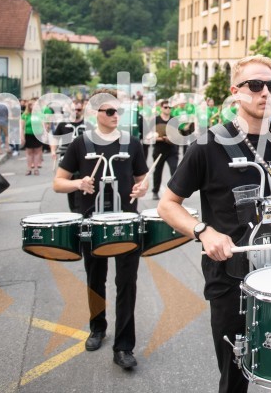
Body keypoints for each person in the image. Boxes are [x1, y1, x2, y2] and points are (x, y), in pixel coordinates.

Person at [156, 55, 271, 393]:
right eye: (255, 85)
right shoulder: (209, 144)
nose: (265, 92)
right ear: (235, 92)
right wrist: (203, 231)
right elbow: (168, 204)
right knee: (236, 377)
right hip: (231, 277)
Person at [53, 89, 149, 370]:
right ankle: (97, 327)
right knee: (95, 278)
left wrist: (141, 188)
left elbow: (142, 178)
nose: (116, 115)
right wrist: (78, 183)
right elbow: (58, 182)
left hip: (126, 222)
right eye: (109, 111)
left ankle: (124, 346)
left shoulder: (132, 143)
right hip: (91, 221)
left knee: (127, 283)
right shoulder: (80, 144)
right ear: (95, 113)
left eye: (118, 110)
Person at [151, 100, 179, 200]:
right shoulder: (156, 120)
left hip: (172, 150)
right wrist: (161, 138)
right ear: (161, 108)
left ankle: (175, 192)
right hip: (159, 150)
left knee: (174, 170)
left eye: (169, 107)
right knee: (157, 171)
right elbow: (149, 136)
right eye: (166, 107)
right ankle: (155, 191)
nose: (168, 109)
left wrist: (171, 138)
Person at [21, 99, 44, 175]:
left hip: (38, 134)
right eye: (32, 105)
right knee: (29, 152)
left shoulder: (39, 114)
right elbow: (22, 127)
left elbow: (43, 125)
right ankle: (29, 168)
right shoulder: (25, 115)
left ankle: (36, 168)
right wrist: (22, 136)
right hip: (28, 135)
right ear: (29, 106)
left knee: (37, 152)